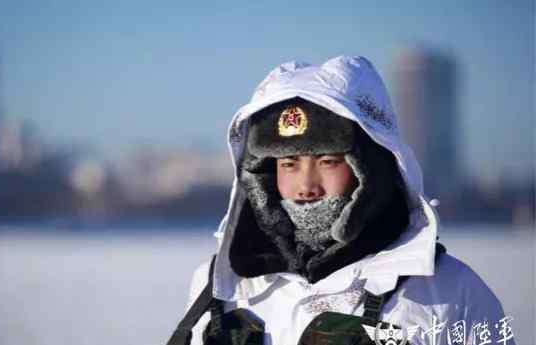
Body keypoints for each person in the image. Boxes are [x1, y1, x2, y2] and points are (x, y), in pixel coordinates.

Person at [167, 56, 515, 345]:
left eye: (327, 162)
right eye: (289, 164)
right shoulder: (217, 288)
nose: (307, 186)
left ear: (370, 169)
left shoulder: (449, 290)